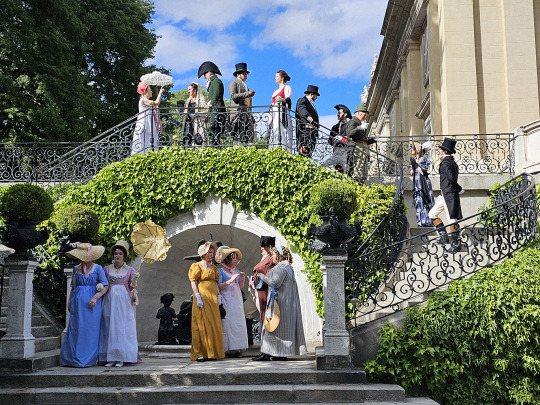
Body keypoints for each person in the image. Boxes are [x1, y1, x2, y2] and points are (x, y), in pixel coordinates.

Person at [252, 245, 307, 361]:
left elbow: (275, 283)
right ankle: (280, 353)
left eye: (273, 254)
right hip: (285, 304)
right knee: (281, 329)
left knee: (271, 327)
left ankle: (267, 353)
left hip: (279, 303)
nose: (271, 257)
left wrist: (261, 276)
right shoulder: (288, 267)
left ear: (279, 255)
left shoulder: (281, 267)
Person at [60, 243, 109, 367]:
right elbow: (73, 287)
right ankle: (71, 358)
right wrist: (69, 302)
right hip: (77, 303)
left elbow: (106, 285)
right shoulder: (76, 268)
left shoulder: (97, 268)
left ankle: (87, 359)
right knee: (75, 329)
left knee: (90, 329)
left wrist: (95, 297)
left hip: (92, 304)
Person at [98, 240, 139, 367]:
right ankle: (110, 357)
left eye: (120, 254)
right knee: (109, 326)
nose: (117, 256)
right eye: (116, 253)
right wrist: (100, 286)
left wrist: (134, 282)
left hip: (124, 301)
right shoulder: (106, 269)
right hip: (110, 299)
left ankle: (121, 357)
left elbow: (133, 287)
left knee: (122, 327)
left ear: (124, 256)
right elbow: (103, 283)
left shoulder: (130, 270)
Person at [188, 240, 225, 362]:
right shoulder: (197, 266)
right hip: (202, 296)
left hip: (212, 298)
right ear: (203, 253)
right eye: (210, 252)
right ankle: (200, 353)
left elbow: (215, 282)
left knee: (213, 323)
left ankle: (212, 352)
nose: (212, 254)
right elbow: (193, 281)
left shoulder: (213, 267)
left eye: (213, 252)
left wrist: (218, 295)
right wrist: (197, 295)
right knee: (201, 323)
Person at [429, 137, 463, 253]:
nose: (439, 151)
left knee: (452, 219)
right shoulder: (451, 162)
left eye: (440, 149)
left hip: (449, 194)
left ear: (444, 151)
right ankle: (444, 238)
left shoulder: (446, 163)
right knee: (432, 213)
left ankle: (456, 244)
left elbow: (451, 178)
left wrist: (458, 188)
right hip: (444, 194)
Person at [216, 245, 248, 357]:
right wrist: (229, 281)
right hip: (226, 298)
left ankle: (237, 348)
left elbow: (239, 286)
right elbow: (218, 286)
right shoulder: (220, 271)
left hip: (236, 299)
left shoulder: (236, 271)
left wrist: (242, 280)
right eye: (233, 258)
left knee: (237, 322)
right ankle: (227, 348)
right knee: (228, 322)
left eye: (235, 258)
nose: (235, 260)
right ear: (227, 259)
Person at [346, 102, 376, 183]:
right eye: (364, 114)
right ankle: (356, 184)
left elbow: (362, 139)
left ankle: (361, 184)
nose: (365, 117)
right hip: (358, 148)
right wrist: (359, 127)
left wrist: (372, 140)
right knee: (358, 168)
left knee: (363, 169)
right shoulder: (353, 121)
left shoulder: (359, 123)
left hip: (362, 148)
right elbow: (349, 133)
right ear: (358, 113)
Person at [198, 61, 226, 146]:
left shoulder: (216, 81)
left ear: (209, 73)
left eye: (205, 74)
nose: (204, 77)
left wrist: (210, 105)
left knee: (215, 131)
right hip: (213, 111)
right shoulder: (212, 83)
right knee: (213, 132)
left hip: (217, 111)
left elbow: (216, 95)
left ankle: (216, 149)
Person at [132, 82, 165, 155]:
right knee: (145, 139)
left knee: (149, 139)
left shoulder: (145, 100)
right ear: (145, 92)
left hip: (149, 122)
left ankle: (150, 153)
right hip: (145, 123)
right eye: (150, 90)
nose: (151, 91)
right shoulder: (143, 99)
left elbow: (155, 106)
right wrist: (160, 93)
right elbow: (156, 103)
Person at [228, 63, 255, 144]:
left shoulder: (245, 86)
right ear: (238, 75)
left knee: (249, 137)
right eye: (244, 74)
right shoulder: (234, 83)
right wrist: (247, 94)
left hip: (247, 114)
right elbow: (233, 96)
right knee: (237, 137)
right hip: (237, 113)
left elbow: (248, 102)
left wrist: (251, 114)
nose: (246, 76)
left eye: (246, 74)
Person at [410, 141, 436, 227]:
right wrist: (413, 166)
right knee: (418, 202)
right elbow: (412, 173)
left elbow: (423, 172)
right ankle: (420, 222)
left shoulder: (424, 159)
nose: (412, 150)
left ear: (417, 150)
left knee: (425, 201)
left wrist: (416, 165)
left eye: (413, 148)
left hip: (423, 183)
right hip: (417, 184)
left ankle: (427, 221)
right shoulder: (414, 160)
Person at [322, 104, 352, 173]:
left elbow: (351, 138)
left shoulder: (349, 126)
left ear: (345, 114)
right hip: (336, 151)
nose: (337, 114)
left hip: (345, 151)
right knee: (323, 165)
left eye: (339, 113)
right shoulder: (335, 127)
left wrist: (344, 139)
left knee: (346, 171)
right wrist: (333, 140)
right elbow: (329, 140)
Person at [269, 70, 293, 151]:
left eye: (277, 76)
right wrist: (270, 116)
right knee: (275, 131)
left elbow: (288, 100)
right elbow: (272, 104)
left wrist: (281, 99)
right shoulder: (275, 91)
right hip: (275, 114)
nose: (275, 78)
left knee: (283, 131)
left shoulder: (287, 87)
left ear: (282, 78)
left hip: (282, 113)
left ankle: (285, 150)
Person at [295, 85, 320, 157]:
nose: (316, 97)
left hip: (312, 133)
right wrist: (307, 116)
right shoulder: (302, 100)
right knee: (304, 152)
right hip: (305, 132)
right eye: (316, 95)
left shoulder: (311, 104)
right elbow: (302, 109)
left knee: (308, 153)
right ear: (311, 94)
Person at [183, 82, 208, 147]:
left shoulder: (201, 99)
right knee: (188, 138)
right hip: (189, 122)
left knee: (199, 139)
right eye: (188, 90)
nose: (188, 91)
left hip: (198, 122)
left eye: (189, 89)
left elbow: (205, 111)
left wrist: (197, 114)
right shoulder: (188, 100)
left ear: (195, 90)